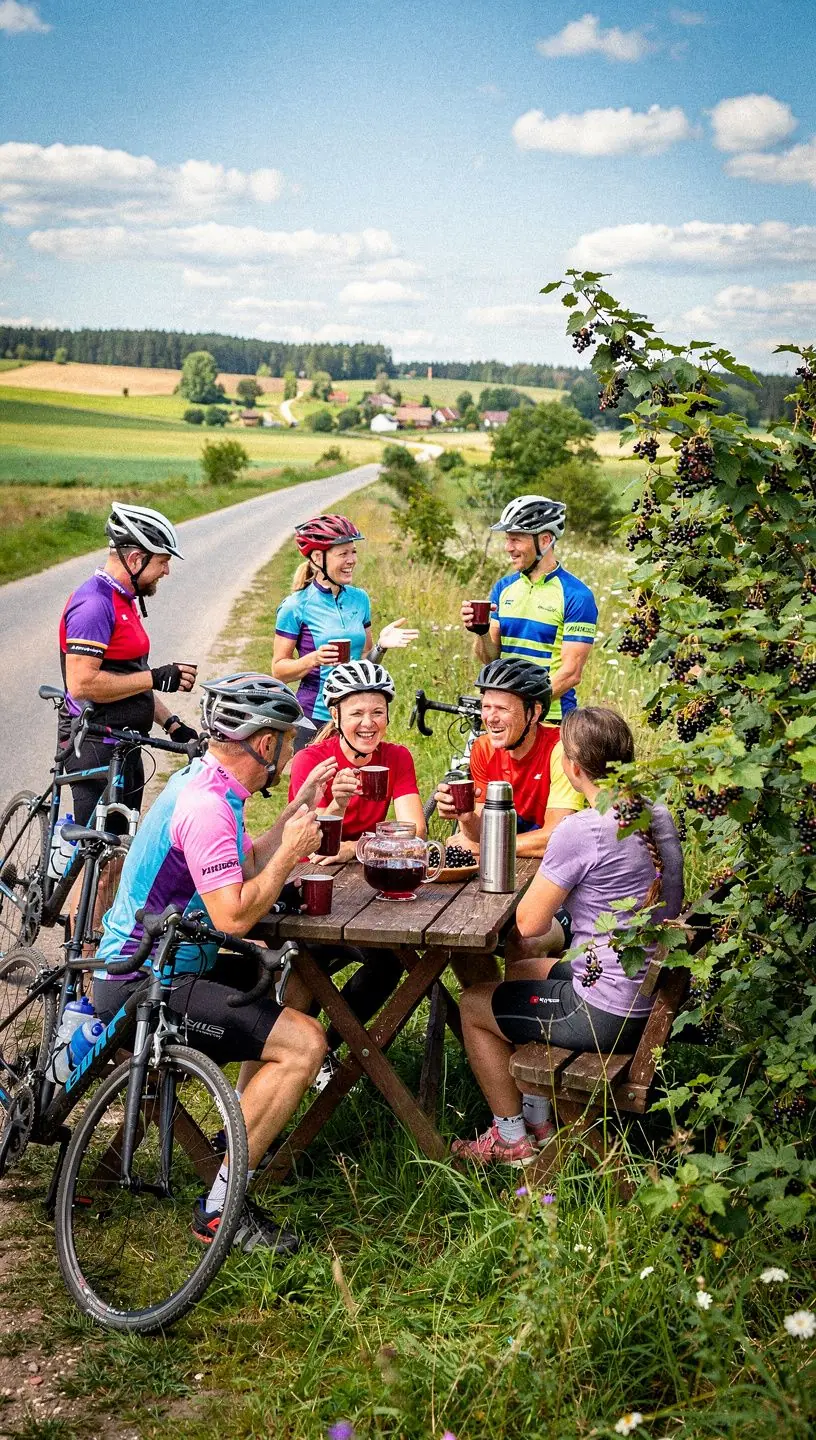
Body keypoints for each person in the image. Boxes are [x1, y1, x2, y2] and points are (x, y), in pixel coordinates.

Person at [94, 672, 336, 1253]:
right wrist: (291, 856)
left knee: (279, 980)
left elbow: (241, 864)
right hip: (143, 980)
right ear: (264, 743)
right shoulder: (206, 807)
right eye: (286, 740)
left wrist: (292, 815)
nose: (290, 751)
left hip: (167, 963)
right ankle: (220, 1208)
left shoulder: (211, 783)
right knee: (305, 1044)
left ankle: (242, 1138)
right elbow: (232, 916)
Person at [451, 706, 683, 1166]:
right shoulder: (657, 813)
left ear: (573, 767)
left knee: (474, 1005)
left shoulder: (583, 829)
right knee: (521, 970)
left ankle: (510, 1138)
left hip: (607, 1013)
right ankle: (538, 1117)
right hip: (647, 993)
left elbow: (528, 925)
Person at [284, 659, 424, 1085]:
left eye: (378, 712)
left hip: (366, 887)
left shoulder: (396, 757)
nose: (369, 723)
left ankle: (328, 1047)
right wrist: (338, 804)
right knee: (307, 961)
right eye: (357, 712)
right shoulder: (312, 760)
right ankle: (296, 1051)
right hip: (314, 885)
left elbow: (415, 830)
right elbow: (304, 838)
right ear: (336, 714)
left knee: (389, 962)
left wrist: (353, 848)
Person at [59, 502, 198, 827]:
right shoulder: (94, 605)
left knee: (124, 844)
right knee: (97, 847)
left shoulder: (125, 599)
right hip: (95, 743)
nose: (167, 571)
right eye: (162, 561)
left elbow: (129, 676)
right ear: (136, 559)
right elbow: (81, 684)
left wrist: (172, 724)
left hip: (128, 742)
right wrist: (155, 677)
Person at [272, 513, 418, 748]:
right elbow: (279, 670)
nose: (352, 560)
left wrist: (381, 646)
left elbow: (364, 662)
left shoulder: (360, 599)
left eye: (353, 552)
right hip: (314, 717)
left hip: (356, 717)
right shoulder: (295, 606)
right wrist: (314, 659)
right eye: (343, 554)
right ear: (318, 557)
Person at [461, 495, 598, 724]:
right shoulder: (503, 588)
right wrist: (481, 631)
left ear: (544, 540)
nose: (508, 548)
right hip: (507, 717)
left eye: (516, 539)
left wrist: (524, 709)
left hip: (551, 719)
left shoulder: (576, 595)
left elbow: (571, 673)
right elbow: (490, 658)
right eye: (507, 539)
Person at [433, 657, 581, 861]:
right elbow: (480, 832)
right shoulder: (483, 748)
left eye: (502, 709)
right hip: (511, 860)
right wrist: (466, 818)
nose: (491, 718)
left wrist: (487, 846)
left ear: (534, 713)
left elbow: (557, 838)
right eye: (486, 707)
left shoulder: (562, 749)